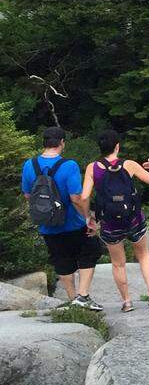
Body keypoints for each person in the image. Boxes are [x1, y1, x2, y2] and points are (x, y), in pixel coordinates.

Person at [20, 127, 104, 310]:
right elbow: (76, 197)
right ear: (62, 143)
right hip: (72, 222)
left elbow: (27, 195)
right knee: (90, 251)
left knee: (60, 259)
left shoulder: (29, 164)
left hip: (47, 224)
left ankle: (72, 299)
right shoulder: (69, 165)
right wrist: (88, 217)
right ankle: (82, 297)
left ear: (44, 143)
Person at [81, 130, 149, 312]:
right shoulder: (129, 164)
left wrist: (89, 218)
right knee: (143, 255)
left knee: (118, 263)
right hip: (134, 220)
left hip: (110, 224)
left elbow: (84, 196)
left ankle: (127, 302)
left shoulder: (92, 168)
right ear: (117, 146)